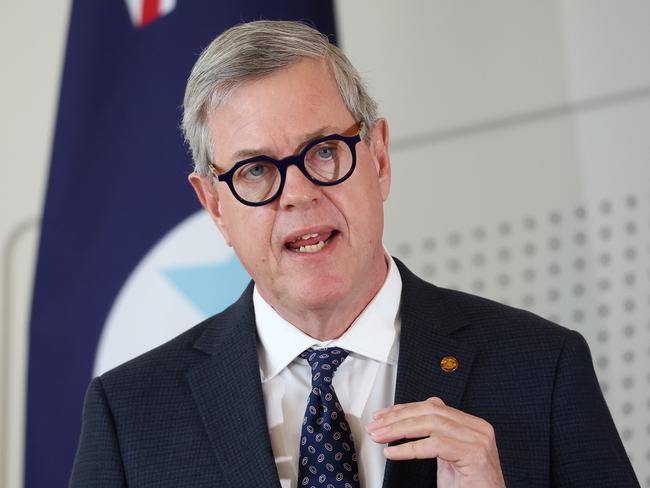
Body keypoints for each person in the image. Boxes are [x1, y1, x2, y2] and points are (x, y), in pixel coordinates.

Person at [70, 20, 640, 488]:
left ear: (380, 157)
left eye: (322, 152)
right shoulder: (131, 417)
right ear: (215, 206)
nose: (297, 193)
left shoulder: (541, 367)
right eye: (257, 171)